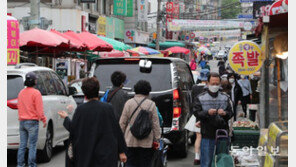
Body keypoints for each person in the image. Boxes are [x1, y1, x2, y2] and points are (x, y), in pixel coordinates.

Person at [58, 77, 127, 167]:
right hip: (105, 156)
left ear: (84, 92)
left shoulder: (81, 110)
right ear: (98, 90)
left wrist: (66, 118)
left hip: (86, 156)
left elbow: (74, 130)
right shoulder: (108, 108)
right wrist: (121, 151)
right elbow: (116, 130)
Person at [193, 72, 233, 167]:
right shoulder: (200, 97)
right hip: (207, 134)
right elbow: (196, 112)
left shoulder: (225, 97)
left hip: (222, 134)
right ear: (207, 83)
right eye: (212, 83)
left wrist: (224, 113)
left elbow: (230, 113)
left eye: (217, 84)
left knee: (221, 161)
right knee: (206, 162)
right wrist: (207, 112)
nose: (215, 86)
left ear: (220, 84)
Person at [120, 80, 161, 167]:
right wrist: (157, 139)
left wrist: (120, 140)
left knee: (130, 163)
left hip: (130, 141)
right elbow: (155, 124)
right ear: (148, 91)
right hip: (146, 142)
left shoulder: (129, 103)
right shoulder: (151, 104)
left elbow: (122, 123)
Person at [17, 72, 47, 167]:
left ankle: (20, 164)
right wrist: (43, 119)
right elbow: (39, 110)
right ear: (34, 81)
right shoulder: (36, 93)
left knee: (22, 145)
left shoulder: (21, 92)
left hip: (22, 122)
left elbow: (19, 106)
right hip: (32, 122)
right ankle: (31, 165)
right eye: (36, 79)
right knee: (32, 145)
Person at [187, 69, 209, 165]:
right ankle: (205, 157)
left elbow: (191, 101)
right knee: (207, 137)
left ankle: (197, 157)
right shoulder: (209, 88)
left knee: (198, 136)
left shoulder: (194, 88)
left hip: (197, 115)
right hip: (208, 114)